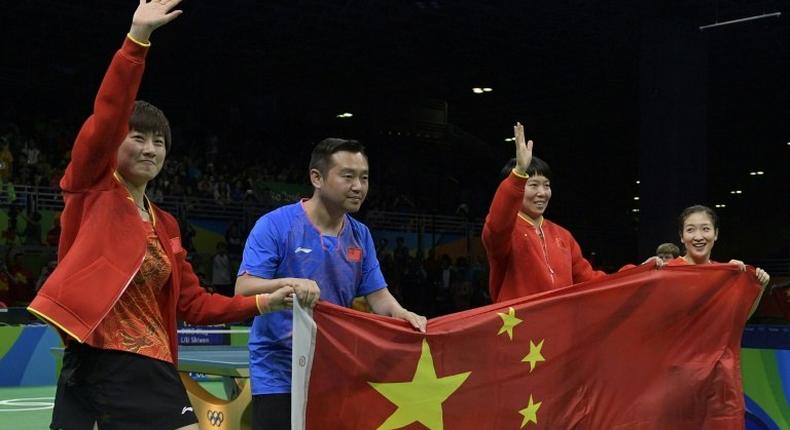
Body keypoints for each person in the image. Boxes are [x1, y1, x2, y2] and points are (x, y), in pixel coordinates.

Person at [26, 3, 293, 429]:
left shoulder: (164, 224)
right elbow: (108, 114)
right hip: (116, 361)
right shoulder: (93, 188)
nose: (150, 149)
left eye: (159, 142)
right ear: (116, 143)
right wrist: (137, 40)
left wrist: (264, 301)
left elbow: (194, 303)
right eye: (138, 138)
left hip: (132, 364)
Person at [236, 137, 427, 430]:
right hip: (278, 370)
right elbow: (243, 289)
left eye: (364, 178)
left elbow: (380, 298)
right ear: (317, 178)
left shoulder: (360, 236)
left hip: (331, 368)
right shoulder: (275, 225)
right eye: (347, 176)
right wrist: (293, 283)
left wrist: (403, 315)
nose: (358, 187)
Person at [483, 122, 606, 302]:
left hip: (558, 326)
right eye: (533, 185)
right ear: (515, 189)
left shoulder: (563, 236)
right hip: (519, 328)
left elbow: (592, 282)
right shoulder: (503, 235)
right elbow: (497, 225)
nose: (542, 193)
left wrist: (640, 272)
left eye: (546, 185)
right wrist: (519, 172)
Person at [665, 205, 770, 317]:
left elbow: (739, 318)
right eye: (690, 230)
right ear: (681, 236)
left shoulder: (724, 275)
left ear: (716, 234)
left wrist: (760, 285)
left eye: (706, 229)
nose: (698, 237)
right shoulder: (666, 272)